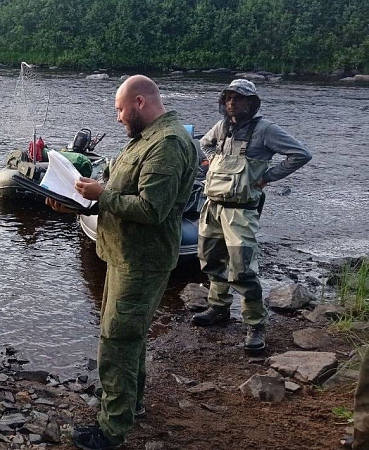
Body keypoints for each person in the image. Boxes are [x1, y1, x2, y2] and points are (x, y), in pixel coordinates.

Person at [47, 75, 197, 449]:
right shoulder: (145, 139)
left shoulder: (168, 144)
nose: (117, 117)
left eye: (119, 109)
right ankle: (131, 404)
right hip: (122, 254)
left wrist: (102, 193)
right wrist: (77, 200)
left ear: (141, 102)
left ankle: (113, 428)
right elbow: (119, 194)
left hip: (142, 261)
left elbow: (152, 209)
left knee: (117, 340)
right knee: (129, 336)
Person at [191, 79, 312, 354]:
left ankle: (256, 324)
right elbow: (203, 144)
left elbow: (301, 154)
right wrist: (211, 162)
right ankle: (218, 307)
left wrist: (266, 177)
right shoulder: (221, 127)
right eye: (229, 97)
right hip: (213, 206)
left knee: (243, 269)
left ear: (252, 103)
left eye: (239, 98)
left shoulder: (265, 130)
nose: (232, 102)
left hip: (241, 212)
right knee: (210, 259)